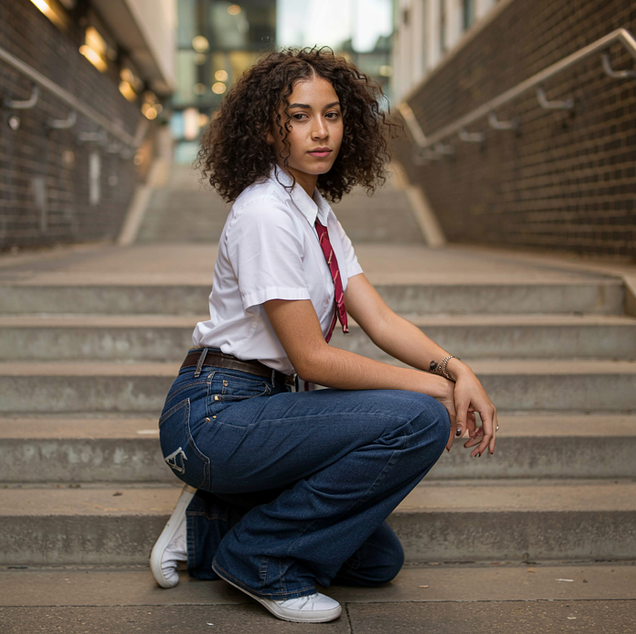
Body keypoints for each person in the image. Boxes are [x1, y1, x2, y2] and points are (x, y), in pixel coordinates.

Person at [151, 47, 498, 624]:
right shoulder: (265, 212)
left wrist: (457, 369)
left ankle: (207, 525)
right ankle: (258, 557)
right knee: (420, 420)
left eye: (332, 115)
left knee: (377, 560)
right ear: (269, 127)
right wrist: (433, 392)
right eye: (299, 116)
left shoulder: (314, 211)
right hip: (215, 414)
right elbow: (311, 358)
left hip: (267, 411)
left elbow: (379, 320)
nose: (321, 132)